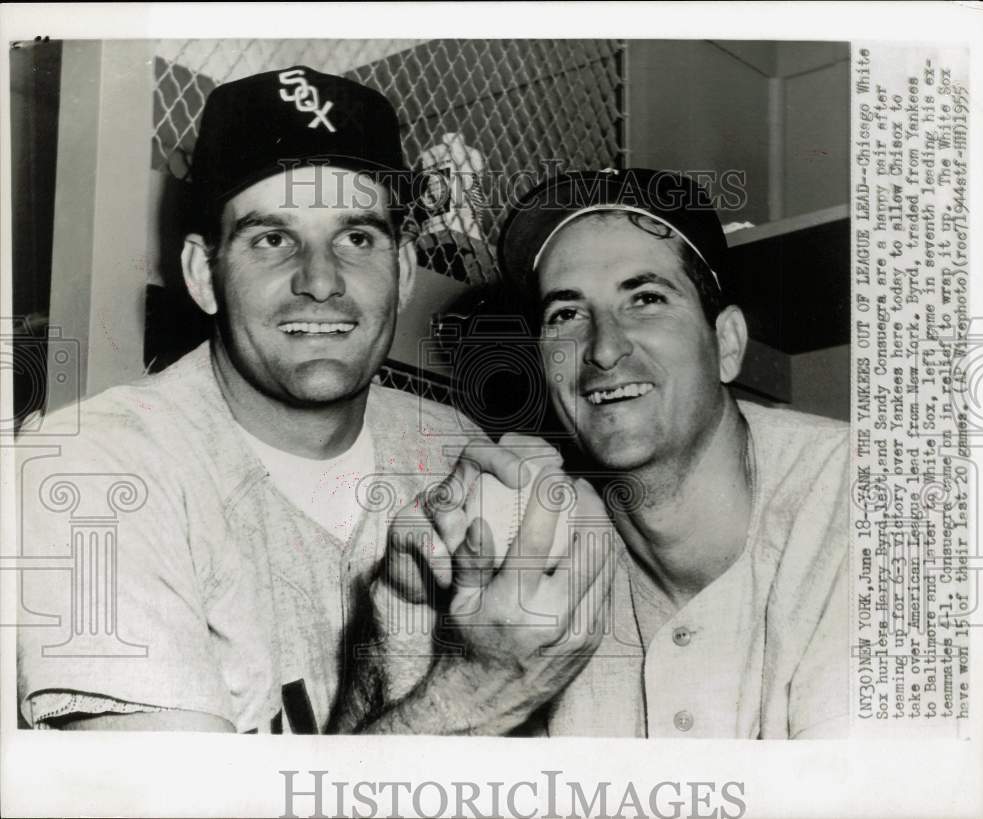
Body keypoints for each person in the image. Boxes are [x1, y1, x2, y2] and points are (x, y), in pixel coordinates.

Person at [16, 67, 612, 734]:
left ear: (403, 273)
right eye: (272, 239)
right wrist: (474, 691)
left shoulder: (452, 450)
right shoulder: (90, 470)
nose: (321, 280)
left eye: (357, 237)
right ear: (202, 276)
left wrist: (397, 627)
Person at [361, 169, 849, 739]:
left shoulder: (868, 500)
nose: (604, 348)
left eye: (645, 299)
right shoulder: (537, 551)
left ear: (728, 344)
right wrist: (402, 616)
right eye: (565, 314)